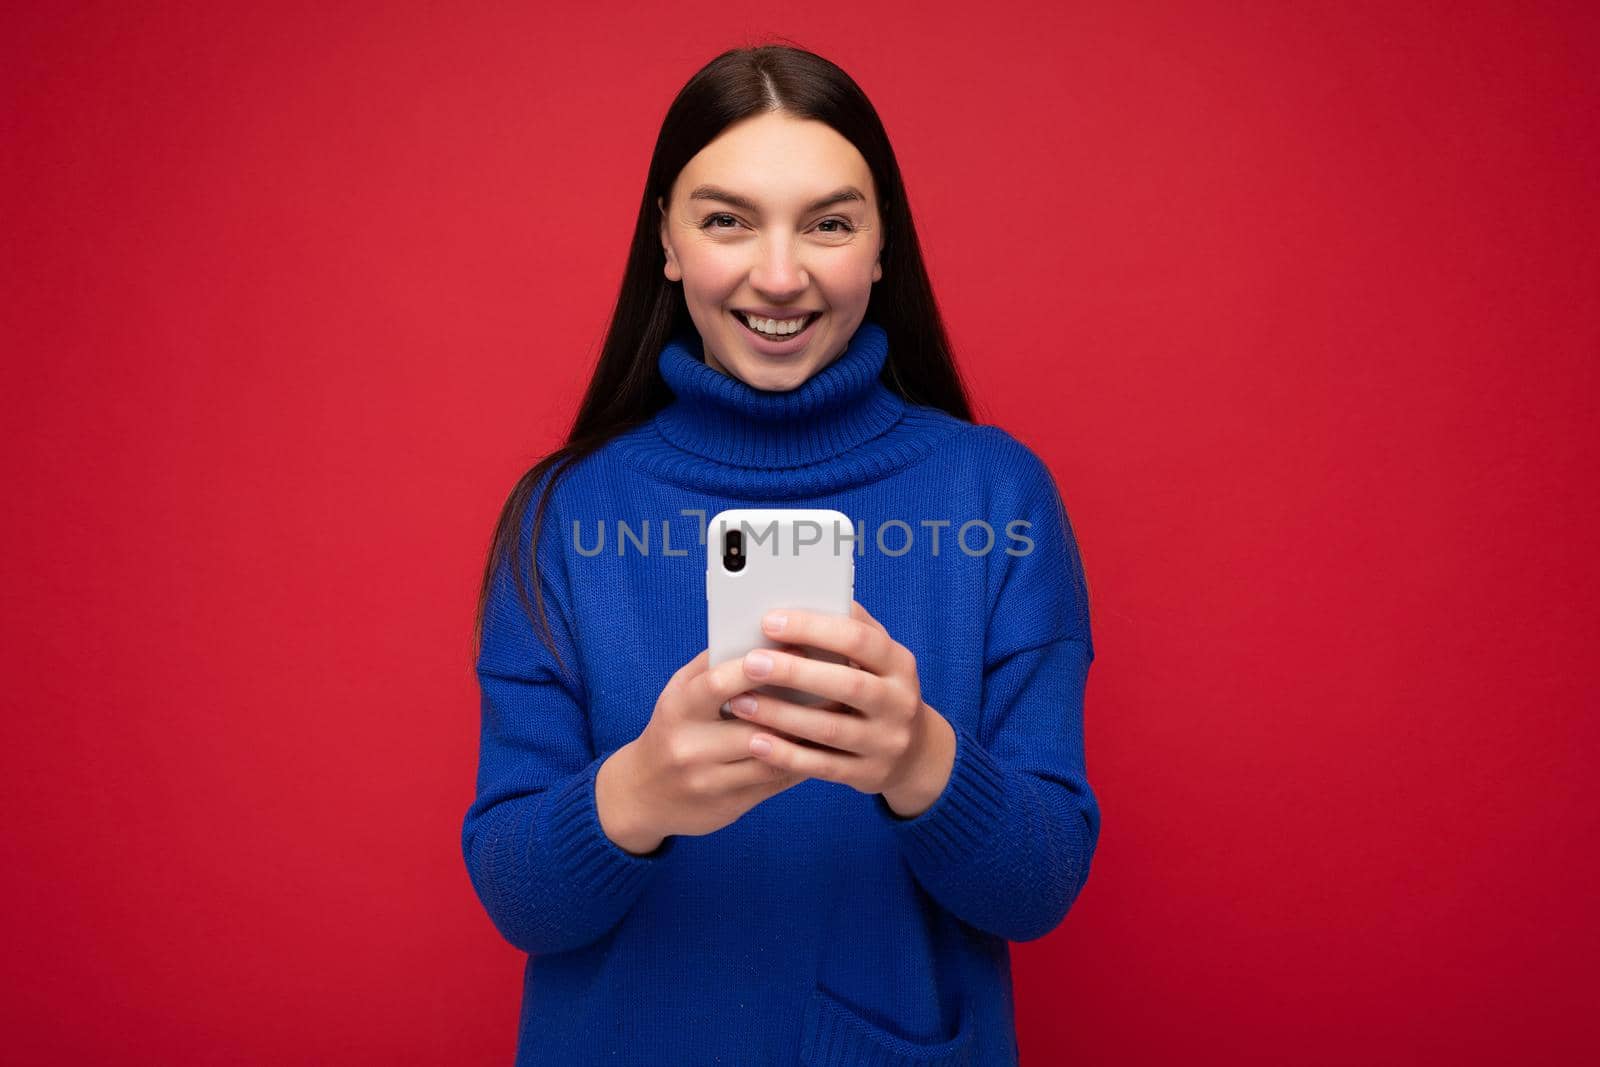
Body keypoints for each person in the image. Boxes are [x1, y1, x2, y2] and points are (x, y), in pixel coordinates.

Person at [461, 43, 1099, 1066]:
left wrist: (918, 759)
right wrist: (639, 792)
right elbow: (517, 897)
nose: (778, 274)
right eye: (726, 219)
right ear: (665, 238)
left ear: (881, 244)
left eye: (829, 223)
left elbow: (1040, 886)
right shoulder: (564, 515)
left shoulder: (996, 494)